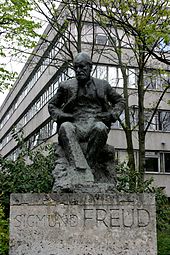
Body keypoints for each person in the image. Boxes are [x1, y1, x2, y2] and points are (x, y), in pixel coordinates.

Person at [48, 52, 125, 172]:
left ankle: (88, 166)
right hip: (75, 124)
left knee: (101, 128)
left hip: (95, 124)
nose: (78, 70)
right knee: (65, 127)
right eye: (76, 68)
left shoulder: (102, 85)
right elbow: (52, 105)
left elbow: (120, 101)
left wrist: (112, 115)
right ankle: (79, 166)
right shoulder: (66, 86)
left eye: (82, 67)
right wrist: (63, 116)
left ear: (90, 67)